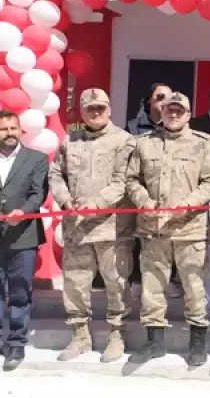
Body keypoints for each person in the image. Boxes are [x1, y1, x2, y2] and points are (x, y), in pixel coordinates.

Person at [125, 92, 210, 367]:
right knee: (152, 288)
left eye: (180, 111)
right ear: (161, 112)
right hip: (153, 229)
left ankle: (197, 344)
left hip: (189, 229)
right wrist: (144, 201)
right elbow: (132, 179)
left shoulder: (202, 144)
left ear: (188, 115)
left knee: (194, 287)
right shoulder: (145, 144)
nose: (174, 114)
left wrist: (187, 204)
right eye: (169, 110)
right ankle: (154, 343)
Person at [49, 89, 137, 363]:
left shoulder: (124, 141)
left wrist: (96, 204)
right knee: (75, 283)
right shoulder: (70, 140)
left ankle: (116, 334)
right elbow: (56, 174)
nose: (96, 112)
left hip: (112, 228)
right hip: (77, 227)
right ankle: (80, 336)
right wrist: (64, 199)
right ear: (82, 111)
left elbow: (123, 180)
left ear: (109, 109)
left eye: (100, 108)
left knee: (116, 282)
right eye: (90, 108)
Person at [0, 110, 49, 371]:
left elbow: (38, 192)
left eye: (12, 128)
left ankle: (16, 344)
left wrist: (25, 211)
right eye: (3, 129)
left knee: (19, 293)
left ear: (21, 130)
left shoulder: (36, 159)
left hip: (23, 235)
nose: (9, 133)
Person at [124, 82, 181, 297]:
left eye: (168, 98)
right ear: (149, 101)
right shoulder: (132, 128)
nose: (165, 102)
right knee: (141, 240)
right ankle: (138, 281)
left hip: (171, 194)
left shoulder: (178, 125)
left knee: (171, 238)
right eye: (159, 97)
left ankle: (172, 280)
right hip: (143, 196)